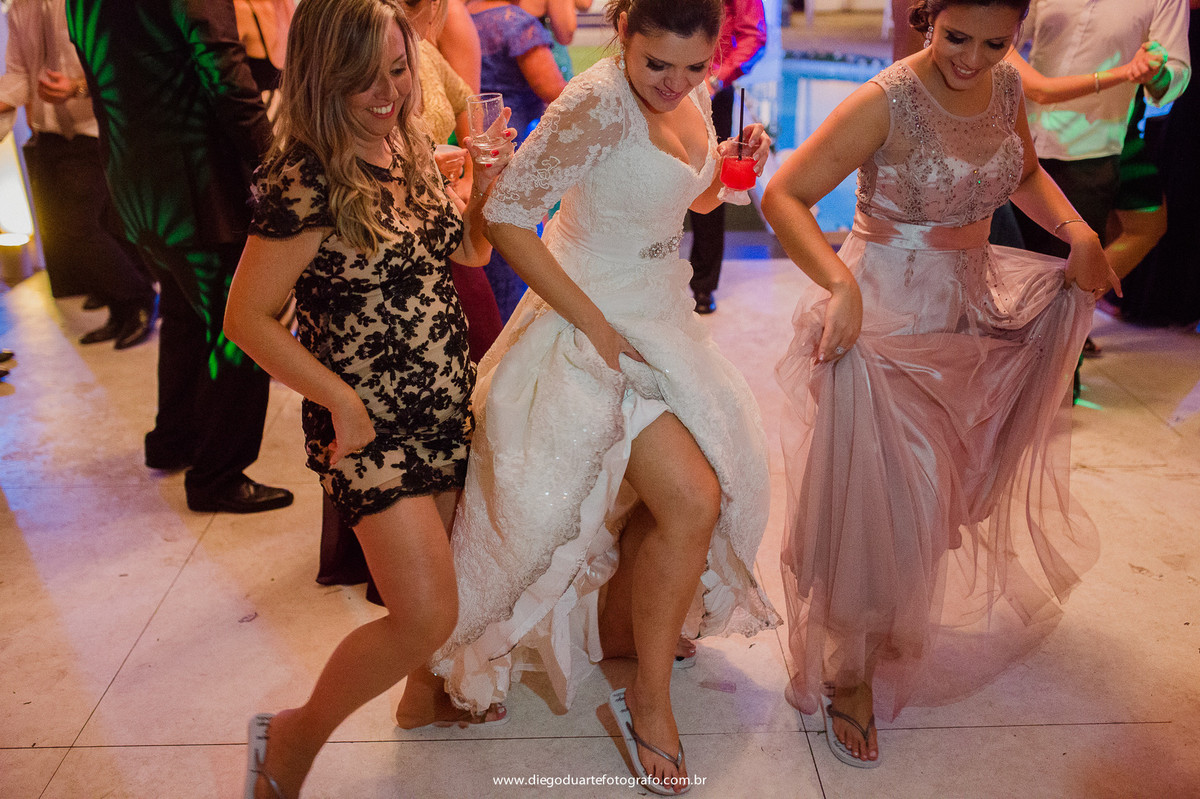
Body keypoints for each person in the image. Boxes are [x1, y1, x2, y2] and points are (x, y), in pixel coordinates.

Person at [423, 0, 779, 792]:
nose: (675, 83)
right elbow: (509, 215)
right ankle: (647, 698)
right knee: (693, 495)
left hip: (663, 314)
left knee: (688, 495)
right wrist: (588, 320)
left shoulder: (686, 94)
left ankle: (630, 631)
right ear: (622, 33)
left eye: (694, 67)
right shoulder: (591, 102)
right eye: (658, 64)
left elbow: (692, 199)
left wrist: (733, 159)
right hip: (592, 322)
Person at [762, 0, 1120, 769]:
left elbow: (1023, 173)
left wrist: (1078, 232)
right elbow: (782, 195)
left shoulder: (1008, 89)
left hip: (965, 307)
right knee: (882, 491)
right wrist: (837, 283)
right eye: (957, 37)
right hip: (882, 314)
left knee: (935, 490)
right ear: (928, 17)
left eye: (996, 42)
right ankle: (850, 672)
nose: (973, 58)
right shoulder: (883, 99)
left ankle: (882, 615)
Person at [223, 0, 512, 795]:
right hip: (369, 428)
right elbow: (246, 318)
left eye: (397, 69)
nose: (388, 92)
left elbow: (472, 251)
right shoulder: (304, 175)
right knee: (424, 612)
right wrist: (339, 401)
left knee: (438, 587)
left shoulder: (406, 140)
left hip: (442, 404)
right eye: (365, 78)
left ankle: (420, 697)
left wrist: (484, 185)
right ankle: (291, 735)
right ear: (324, 74)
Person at [66, 0, 293, 513]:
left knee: (186, 316)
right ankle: (218, 476)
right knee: (243, 327)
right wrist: (279, 168)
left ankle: (174, 439)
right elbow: (226, 78)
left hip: (137, 185)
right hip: (199, 186)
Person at [0, 0, 157, 349]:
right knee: (69, 229)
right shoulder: (20, 9)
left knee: (79, 227)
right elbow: (19, 77)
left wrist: (77, 87)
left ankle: (139, 297)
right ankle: (122, 308)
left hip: (96, 129)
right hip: (49, 133)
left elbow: (127, 63)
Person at [466, 0, 568, 320]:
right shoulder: (515, 22)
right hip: (512, 149)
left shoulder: (467, 16)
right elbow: (554, 90)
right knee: (517, 260)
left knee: (489, 257)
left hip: (476, 150)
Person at [1120, 0, 1200, 326]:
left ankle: (1076, 305)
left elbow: (1170, 77)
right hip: (1099, 128)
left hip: (1125, 128)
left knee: (1147, 220)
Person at [687, 0, 766, 315]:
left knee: (710, 176)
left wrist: (718, 78)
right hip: (663, 82)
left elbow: (753, 35)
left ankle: (703, 284)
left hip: (712, 87)